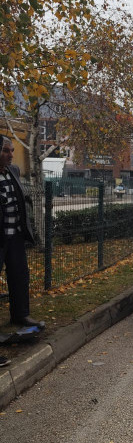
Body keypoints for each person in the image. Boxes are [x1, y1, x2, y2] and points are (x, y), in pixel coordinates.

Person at [0, 135, 43, 329]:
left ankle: (21, 315)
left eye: (11, 150)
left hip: (15, 237)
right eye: (5, 151)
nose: (10, 155)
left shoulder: (14, 171)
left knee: (19, 275)